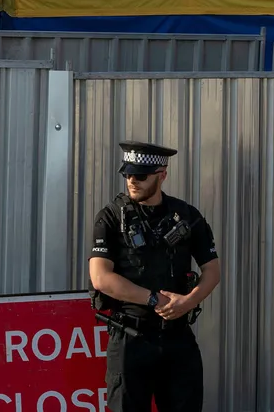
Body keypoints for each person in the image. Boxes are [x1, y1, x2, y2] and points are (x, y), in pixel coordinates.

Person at [88, 140, 221, 412]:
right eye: (127, 174)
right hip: (131, 337)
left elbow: (212, 270)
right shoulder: (111, 217)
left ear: (162, 175)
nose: (132, 181)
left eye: (140, 175)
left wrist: (188, 302)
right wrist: (153, 300)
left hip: (178, 337)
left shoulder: (186, 216)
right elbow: (100, 277)